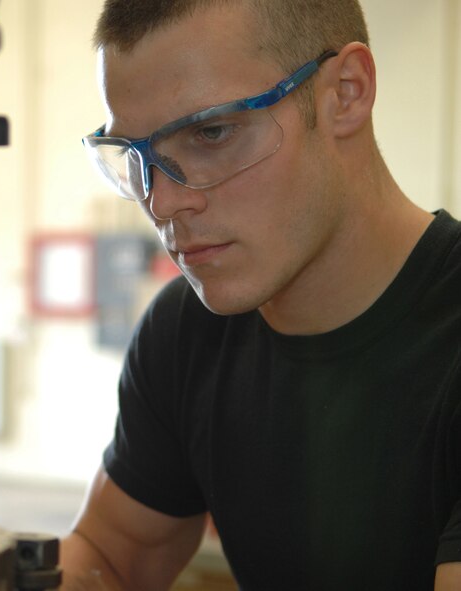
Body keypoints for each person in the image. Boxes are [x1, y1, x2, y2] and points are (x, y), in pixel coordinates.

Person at [60, 1, 461, 589]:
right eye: (137, 156)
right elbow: (110, 557)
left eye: (211, 133)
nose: (164, 204)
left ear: (346, 93)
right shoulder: (187, 331)